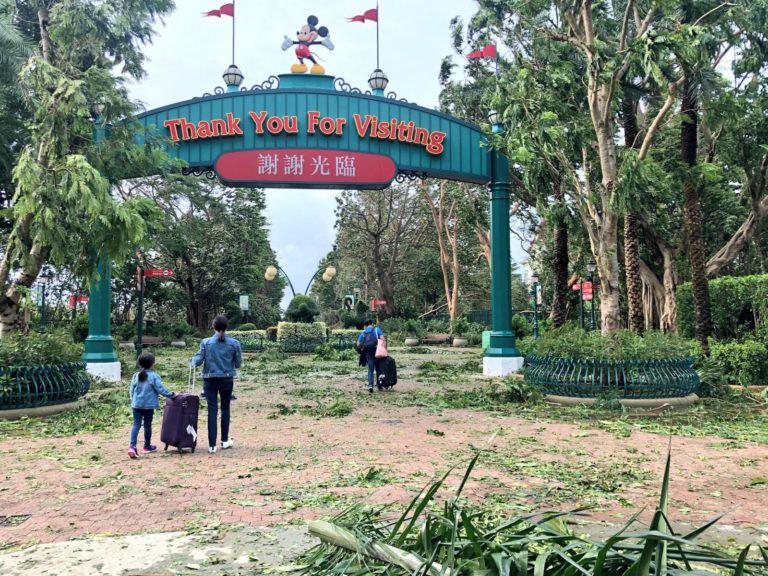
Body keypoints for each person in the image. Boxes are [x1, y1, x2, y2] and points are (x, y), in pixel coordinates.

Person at [190, 315, 242, 454]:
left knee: (212, 411)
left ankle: (212, 446)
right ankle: (224, 441)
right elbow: (238, 364)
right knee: (225, 409)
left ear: (213, 327)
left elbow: (198, 360)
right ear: (226, 327)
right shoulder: (234, 343)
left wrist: (192, 361)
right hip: (227, 380)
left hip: (209, 380)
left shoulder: (206, 342)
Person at [128, 353, 176, 459]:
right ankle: (147, 446)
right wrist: (172, 395)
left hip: (136, 405)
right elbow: (160, 389)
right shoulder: (154, 376)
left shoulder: (136, 375)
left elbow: (131, 390)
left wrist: (133, 400)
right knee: (147, 426)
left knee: (136, 425)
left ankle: (132, 447)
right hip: (148, 406)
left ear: (139, 363)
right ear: (152, 364)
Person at [357, 319, 383, 393]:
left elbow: (358, 344)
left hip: (368, 352)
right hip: (377, 351)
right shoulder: (377, 329)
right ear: (372, 324)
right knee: (378, 368)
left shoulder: (364, 333)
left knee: (370, 369)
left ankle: (370, 385)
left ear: (365, 325)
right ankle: (379, 385)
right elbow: (382, 339)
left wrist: (360, 350)